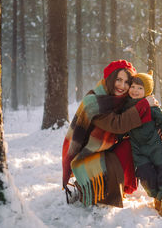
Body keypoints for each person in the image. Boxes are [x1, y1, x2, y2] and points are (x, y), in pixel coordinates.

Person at [62, 60, 157, 208]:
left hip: (105, 150)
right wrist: (143, 105)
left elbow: (131, 123)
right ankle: (96, 189)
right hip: (88, 156)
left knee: (131, 144)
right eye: (118, 80)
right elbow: (117, 124)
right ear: (110, 78)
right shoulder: (94, 102)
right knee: (119, 155)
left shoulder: (120, 100)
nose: (122, 86)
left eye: (127, 82)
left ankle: (137, 188)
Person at [121, 71, 162, 217]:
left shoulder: (152, 107)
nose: (135, 90)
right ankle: (157, 196)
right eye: (133, 86)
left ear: (147, 91)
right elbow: (122, 124)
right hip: (138, 150)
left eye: (140, 88)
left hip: (155, 146)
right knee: (145, 176)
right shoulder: (126, 107)